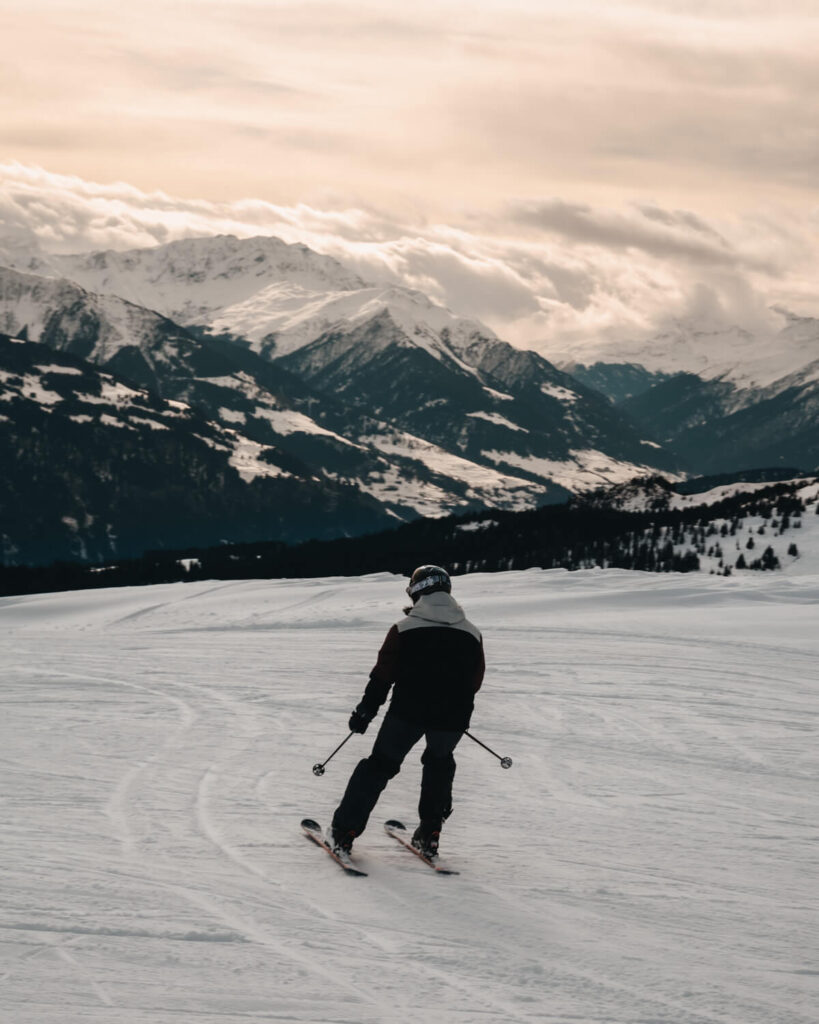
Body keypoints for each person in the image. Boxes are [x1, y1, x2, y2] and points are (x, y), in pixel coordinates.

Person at [329, 564, 485, 859]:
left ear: (415, 593)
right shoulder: (472, 633)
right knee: (439, 764)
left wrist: (366, 711)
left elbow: (383, 676)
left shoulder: (404, 629)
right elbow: (474, 681)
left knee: (379, 766)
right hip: (453, 717)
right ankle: (429, 835)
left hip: (407, 713)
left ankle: (344, 832)